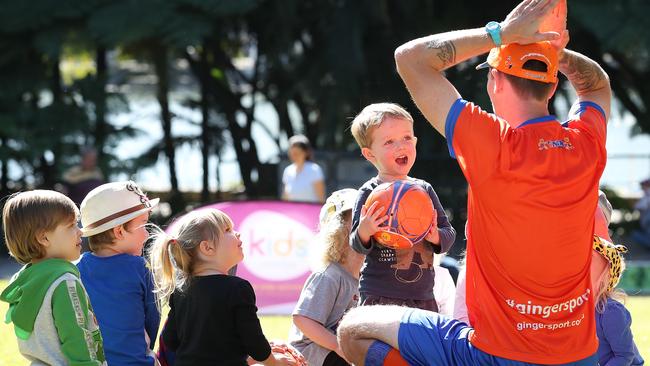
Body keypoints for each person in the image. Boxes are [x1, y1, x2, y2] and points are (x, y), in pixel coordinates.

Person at [337, 0, 611, 364]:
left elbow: (410, 58)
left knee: (353, 328)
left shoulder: (492, 144)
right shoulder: (585, 143)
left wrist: (502, 34)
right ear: (551, 87)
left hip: (495, 355)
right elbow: (596, 86)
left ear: (494, 81)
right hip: (579, 355)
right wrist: (550, 52)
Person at [147, 208, 300, 366]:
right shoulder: (238, 288)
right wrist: (276, 362)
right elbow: (254, 342)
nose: (237, 233)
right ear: (207, 248)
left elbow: (170, 340)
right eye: (228, 230)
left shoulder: (180, 291)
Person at [349, 103, 456, 311]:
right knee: (379, 345)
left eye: (407, 138)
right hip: (378, 295)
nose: (401, 146)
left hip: (422, 297)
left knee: (419, 345)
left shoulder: (423, 190)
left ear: (415, 141)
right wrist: (365, 231)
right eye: (389, 142)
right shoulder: (369, 192)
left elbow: (448, 235)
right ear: (370, 154)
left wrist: (435, 236)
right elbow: (355, 243)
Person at [0, 190, 106, 365]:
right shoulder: (65, 282)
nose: (80, 231)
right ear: (44, 238)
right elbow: (77, 336)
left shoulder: (27, 279)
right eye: (71, 225)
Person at [77, 181, 161, 366]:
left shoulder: (76, 269)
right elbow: (153, 318)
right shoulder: (140, 267)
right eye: (144, 225)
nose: (147, 234)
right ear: (119, 231)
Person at [289, 189, 365, 366]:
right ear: (338, 231)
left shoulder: (365, 278)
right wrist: (338, 346)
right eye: (358, 219)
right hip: (312, 354)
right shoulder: (330, 276)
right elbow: (303, 319)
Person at [282, 135, 326, 203]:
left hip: (311, 212)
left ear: (306, 152)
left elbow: (321, 198)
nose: (293, 156)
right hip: (293, 212)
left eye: (297, 153)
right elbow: (286, 197)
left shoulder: (315, 170)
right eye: (292, 153)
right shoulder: (287, 171)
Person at [632, 178, 650, 248]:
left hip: (648, 223)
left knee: (635, 235)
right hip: (646, 223)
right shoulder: (646, 195)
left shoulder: (648, 195)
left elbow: (638, 206)